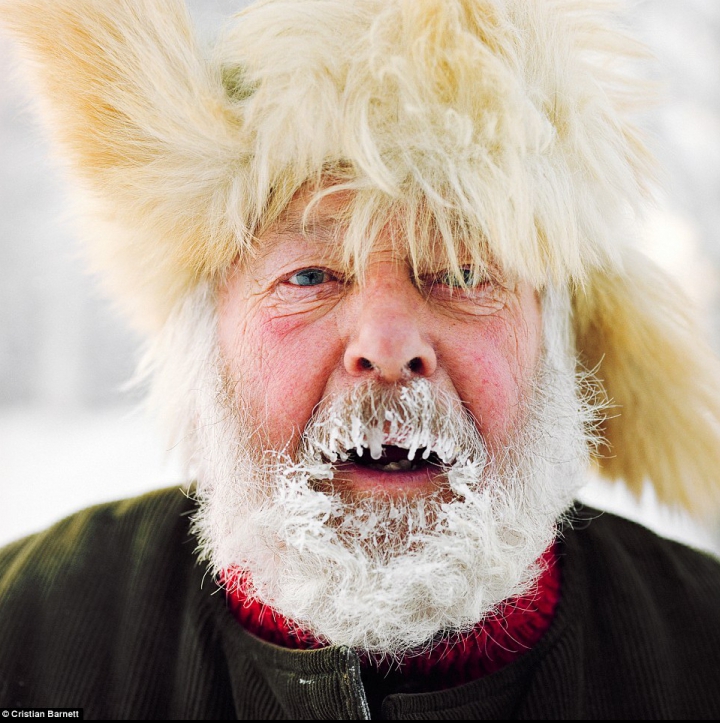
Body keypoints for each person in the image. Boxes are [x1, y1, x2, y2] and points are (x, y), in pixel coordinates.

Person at [1, 0, 720, 719]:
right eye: (309, 276)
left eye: (464, 273)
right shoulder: (24, 628)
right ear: (209, 338)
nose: (386, 344)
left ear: (556, 338)